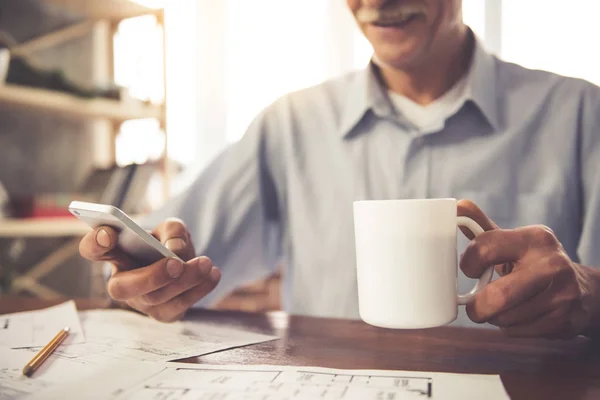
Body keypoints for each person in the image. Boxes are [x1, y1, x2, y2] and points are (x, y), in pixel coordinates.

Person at [79, 0, 600, 339]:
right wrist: (152, 276)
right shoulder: (290, 124)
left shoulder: (580, 114)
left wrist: (588, 293)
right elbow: (174, 256)